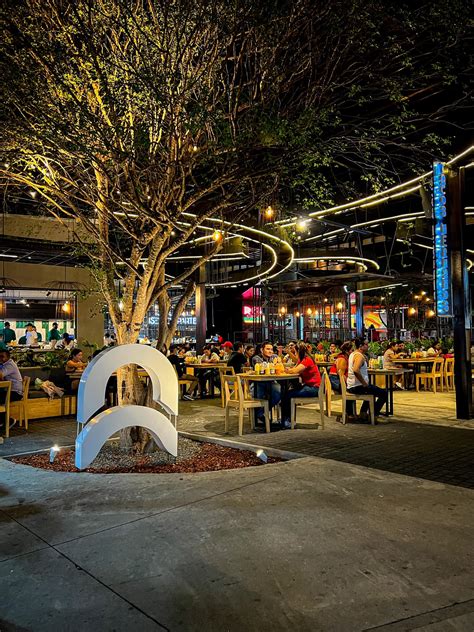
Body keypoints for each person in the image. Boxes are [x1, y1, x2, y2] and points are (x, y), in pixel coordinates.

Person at [280, 342, 321, 429]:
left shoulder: (307, 360)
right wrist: (290, 369)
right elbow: (295, 368)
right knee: (287, 393)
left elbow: (294, 371)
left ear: (298, 351)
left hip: (313, 388)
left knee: (287, 396)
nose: (295, 353)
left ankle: (287, 421)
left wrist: (286, 370)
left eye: (295, 351)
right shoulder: (302, 359)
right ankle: (287, 420)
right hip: (310, 386)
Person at [347, 338, 387, 421]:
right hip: (357, 386)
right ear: (360, 346)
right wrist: (364, 383)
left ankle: (363, 413)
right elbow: (355, 370)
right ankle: (373, 414)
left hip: (353, 385)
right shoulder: (359, 356)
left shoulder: (353, 354)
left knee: (372, 390)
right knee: (384, 393)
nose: (368, 346)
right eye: (366, 344)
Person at [251, 341, 281, 427]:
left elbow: (279, 366)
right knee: (258, 395)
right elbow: (262, 368)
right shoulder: (256, 358)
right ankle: (259, 415)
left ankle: (260, 413)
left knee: (278, 392)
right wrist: (274, 365)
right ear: (262, 350)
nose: (270, 351)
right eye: (268, 349)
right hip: (258, 382)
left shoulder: (274, 357)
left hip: (271, 382)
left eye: (271, 349)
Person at [0, 344, 24, 432]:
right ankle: (3, 421)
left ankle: (8, 421)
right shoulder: (5, 364)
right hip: (11, 391)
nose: (1, 358)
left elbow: (0, 375)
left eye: (2, 357)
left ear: (8, 357)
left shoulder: (9, 365)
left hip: (16, 393)